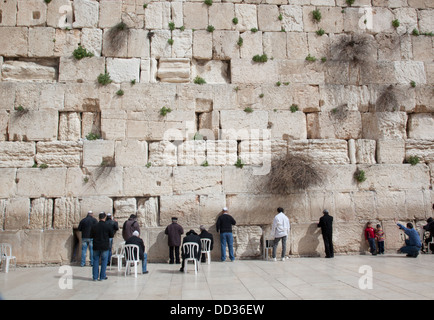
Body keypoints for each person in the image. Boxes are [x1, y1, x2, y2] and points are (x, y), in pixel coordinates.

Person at [90, 212, 114, 281]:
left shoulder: (94, 226)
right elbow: (111, 235)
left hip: (96, 245)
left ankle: (95, 277)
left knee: (95, 261)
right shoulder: (108, 226)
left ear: (99, 218)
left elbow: (91, 235)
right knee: (104, 261)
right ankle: (102, 276)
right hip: (104, 246)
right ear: (105, 217)